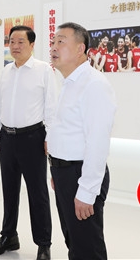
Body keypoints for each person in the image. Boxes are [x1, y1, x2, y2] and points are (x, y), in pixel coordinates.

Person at [0, 25, 56, 260]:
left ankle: (43, 243)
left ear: (32, 44)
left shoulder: (44, 70)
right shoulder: (6, 71)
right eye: (12, 42)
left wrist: (50, 137)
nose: (15, 46)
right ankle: (8, 236)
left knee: (38, 193)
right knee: (9, 189)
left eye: (20, 42)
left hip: (33, 138)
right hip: (7, 138)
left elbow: (52, 108)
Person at [48, 22, 116, 260]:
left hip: (80, 175)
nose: (53, 47)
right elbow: (67, 131)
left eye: (61, 41)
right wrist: (56, 170)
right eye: (53, 42)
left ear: (80, 49)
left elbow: (97, 143)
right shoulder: (69, 83)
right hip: (64, 174)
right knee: (75, 243)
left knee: (88, 249)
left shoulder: (94, 84)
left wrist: (86, 192)